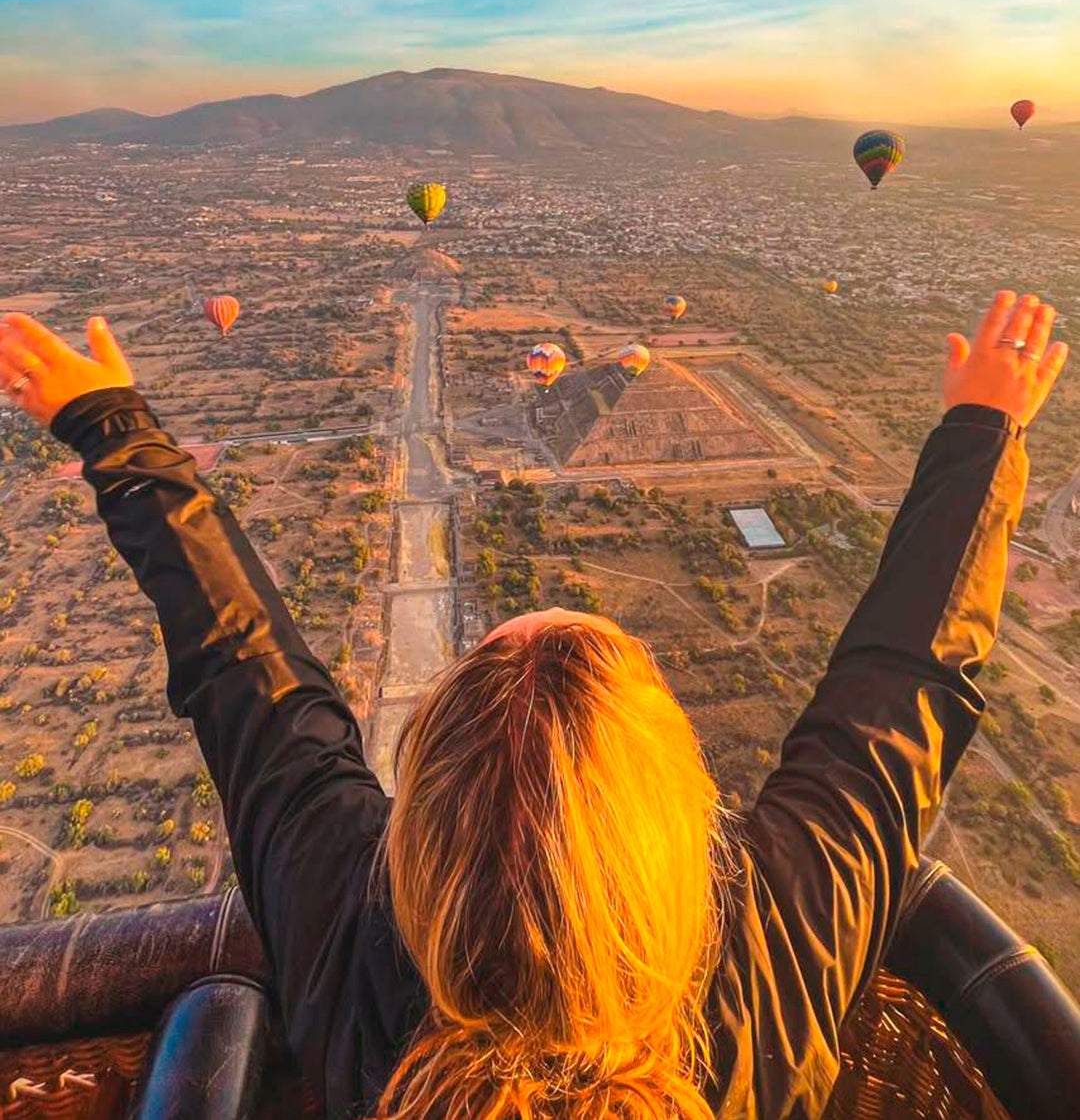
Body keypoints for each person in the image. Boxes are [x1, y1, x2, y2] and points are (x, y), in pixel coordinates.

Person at [0, 291, 1067, 1120]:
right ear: (673, 787)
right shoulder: (774, 930)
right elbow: (906, 686)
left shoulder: (350, 917)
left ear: (419, 811)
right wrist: (984, 426)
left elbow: (243, 666)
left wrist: (112, 426)